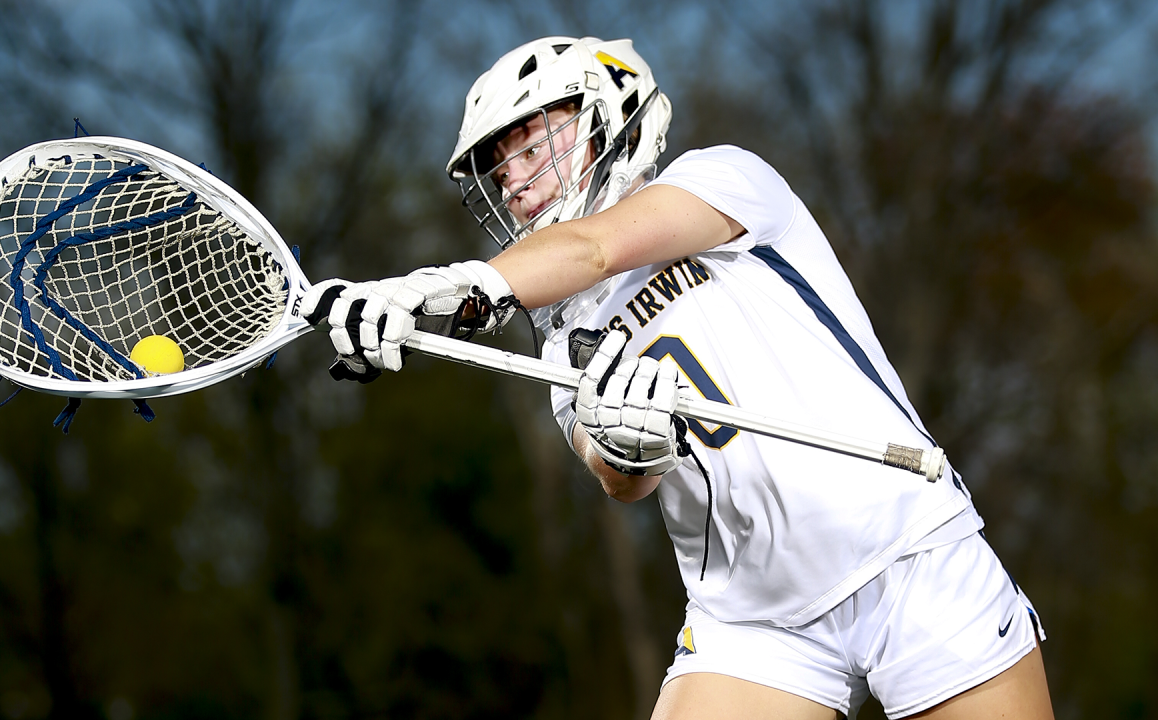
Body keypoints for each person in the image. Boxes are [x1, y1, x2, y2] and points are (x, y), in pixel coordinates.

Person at [301, 36, 1054, 719]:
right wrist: (630, 449)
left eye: (529, 146)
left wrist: (443, 289)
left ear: (607, 114)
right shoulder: (563, 333)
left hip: (905, 552)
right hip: (753, 617)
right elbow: (618, 482)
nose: (513, 180)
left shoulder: (723, 180)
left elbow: (595, 249)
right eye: (499, 168)